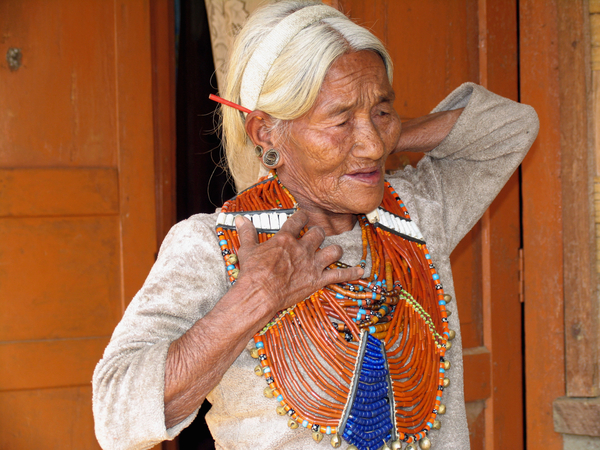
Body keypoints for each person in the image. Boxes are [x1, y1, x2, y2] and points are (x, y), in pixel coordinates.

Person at [92, 2, 539, 450]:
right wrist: (255, 299)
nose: (368, 144)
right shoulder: (213, 247)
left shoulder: (415, 213)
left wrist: (381, 136)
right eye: (340, 119)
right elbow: (115, 417)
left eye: (382, 110)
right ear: (266, 132)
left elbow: (513, 127)